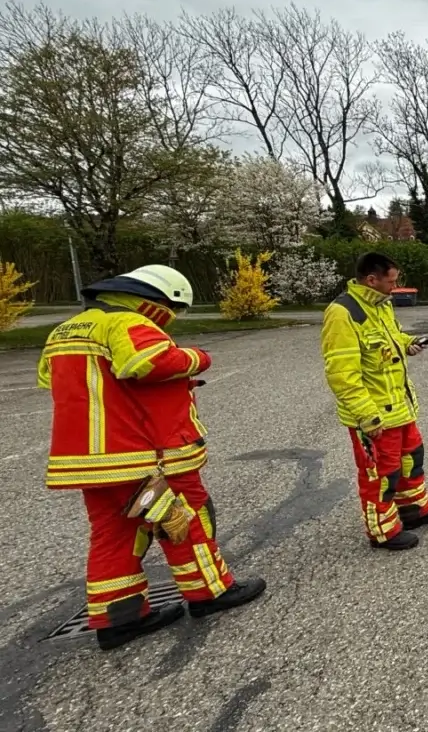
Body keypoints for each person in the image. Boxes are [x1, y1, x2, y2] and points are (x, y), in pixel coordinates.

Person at [36, 265, 266, 650]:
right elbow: (146, 363)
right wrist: (196, 358)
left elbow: (50, 379)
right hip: (144, 458)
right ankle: (210, 592)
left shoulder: (66, 330)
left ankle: (119, 618)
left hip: (90, 462)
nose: (172, 320)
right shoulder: (127, 321)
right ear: (156, 300)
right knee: (183, 521)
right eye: (173, 310)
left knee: (114, 534)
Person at [321, 252, 428, 552]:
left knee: (411, 461)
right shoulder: (343, 314)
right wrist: (366, 415)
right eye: (391, 282)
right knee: (380, 475)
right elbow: (342, 375)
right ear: (371, 280)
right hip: (375, 415)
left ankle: (414, 509)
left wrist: (409, 344)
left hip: (399, 407)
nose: (395, 287)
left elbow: (392, 338)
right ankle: (382, 530)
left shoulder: (381, 305)